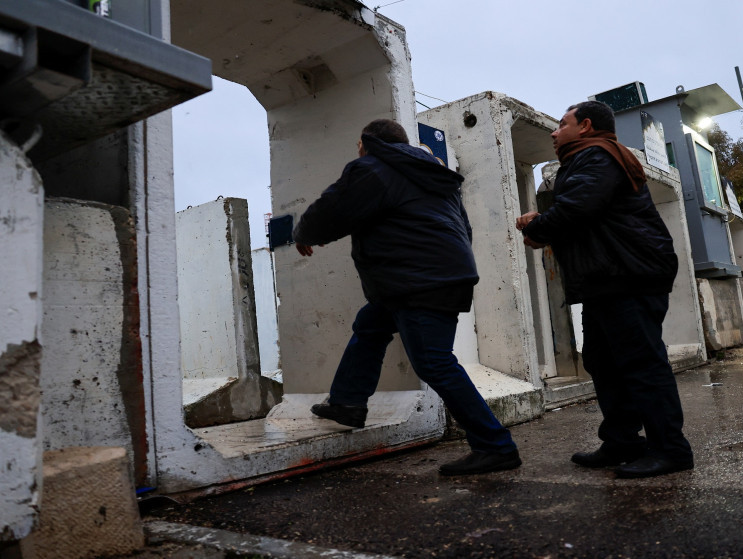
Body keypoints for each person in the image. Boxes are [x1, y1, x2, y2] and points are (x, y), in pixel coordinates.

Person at [293, 119, 521, 476]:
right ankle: (347, 403)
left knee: (434, 362)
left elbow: (336, 207)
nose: (357, 151)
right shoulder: (433, 174)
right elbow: (463, 227)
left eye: (358, 145)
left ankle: (496, 446)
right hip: (435, 274)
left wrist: (305, 231)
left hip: (417, 279)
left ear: (366, 142)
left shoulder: (373, 166)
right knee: (371, 324)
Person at [515, 101, 693, 479]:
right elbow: (581, 209)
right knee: (603, 359)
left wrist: (539, 227)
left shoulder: (596, 155)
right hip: (609, 277)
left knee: (641, 362)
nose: (553, 131)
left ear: (585, 126)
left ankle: (670, 449)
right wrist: (544, 220)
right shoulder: (588, 157)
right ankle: (622, 441)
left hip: (628, 275)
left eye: (562, 124)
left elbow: (578, 207)